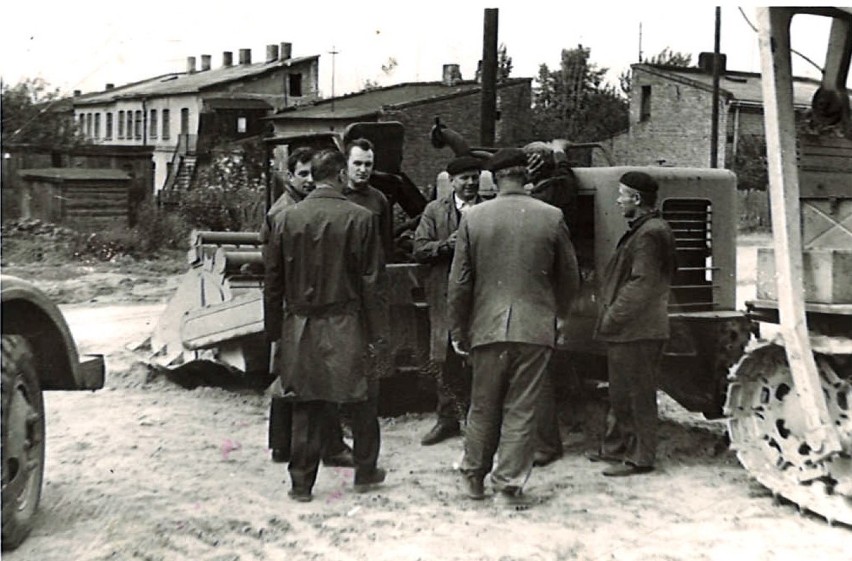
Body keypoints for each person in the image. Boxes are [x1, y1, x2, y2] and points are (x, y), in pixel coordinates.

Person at [448, 148, 579, 507]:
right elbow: (570, 277)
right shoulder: (551, 216)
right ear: (527, 176)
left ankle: (473, 477)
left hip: (486, 328)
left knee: (483, 405)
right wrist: (560, 316)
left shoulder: (473, 218)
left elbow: (459, 283)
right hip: (535, 328)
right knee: (522, 409)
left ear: (495, 178)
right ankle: (508, 485)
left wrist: (458, 330)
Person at [263, 148, 388, 502]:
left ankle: (301, 483)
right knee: (363, 398)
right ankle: (365, 472)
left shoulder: (286, 218)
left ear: (314, 176)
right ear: (339, 175)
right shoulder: (362, 218)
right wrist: (378, 334)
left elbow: (272, 281)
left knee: (306, 401)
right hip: (347, 322)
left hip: (300, 323)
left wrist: (275, 331)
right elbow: (372, 284)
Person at [260, 147, 354, 469]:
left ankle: (296, 446)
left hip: (298, 310)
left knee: (300, 382)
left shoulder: (300, 208)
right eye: (302, 175)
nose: (308, 181)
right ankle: (293, 445)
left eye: (310, 174)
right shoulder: (282, 213)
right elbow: (272, 269)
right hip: (296, 310)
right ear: (290, 177)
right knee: (295, 383)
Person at [591, 171, 676, 477]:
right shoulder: (646, 228)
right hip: (634, 330)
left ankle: (640, 458)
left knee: (636, 395)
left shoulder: (650, 233)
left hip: (637, 331)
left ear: (636, 199)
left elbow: (643, 283)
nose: (618, 200)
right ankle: (614, 449)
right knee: (620, 391)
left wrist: (613, 316)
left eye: (622, 194)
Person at [413, 155, 483, 446]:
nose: (470, 183)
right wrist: (445, 245)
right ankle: (447, 419)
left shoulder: (487, 208)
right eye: (464, 178)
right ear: (452, 182)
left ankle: (477, 421)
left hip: (480, 297)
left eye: (474, 177)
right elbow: (418, 248)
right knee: (446, 359)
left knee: (480, 358)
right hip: (444, 293)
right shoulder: (434, 211)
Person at [522, 140, 583, 467]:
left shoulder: (543, 198)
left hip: (534, 296)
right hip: (547, 296)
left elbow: (562, 187)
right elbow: (566, 185)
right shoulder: (553, 193)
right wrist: (560, 156)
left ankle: (545, 443)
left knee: (533, 372)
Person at [342, 138, 394, 260]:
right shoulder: (335, 196)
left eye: (368, 164)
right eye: (357, 163)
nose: (363, 170)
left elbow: (386, 243)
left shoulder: (379, 199)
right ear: (346, 163)